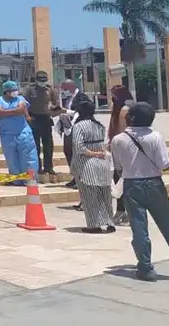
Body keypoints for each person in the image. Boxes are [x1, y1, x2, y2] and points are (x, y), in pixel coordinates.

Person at [109, 102, 169, 286]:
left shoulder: (118, 140)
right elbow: (164, 164)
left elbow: (118, 167)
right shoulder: (155, 136)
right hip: (154, 184)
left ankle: (145, 267)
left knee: (139, 228)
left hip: (131, 185)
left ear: (133, 118)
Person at [69, 94, 115, 233]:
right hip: (102, 163)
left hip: (86, 165)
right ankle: (109, 223)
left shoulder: (79, 126)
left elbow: (79, 147)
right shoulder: (99, 126)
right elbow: (103, 144)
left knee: (90, 196)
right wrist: (99, 153)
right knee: (105, 195)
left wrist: (93, 154)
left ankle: (95, 225)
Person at [0, 81, 38, 186]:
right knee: (11, 158)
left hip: (23, 132)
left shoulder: (20, 99)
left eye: (15, 90)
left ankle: (30, 179)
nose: (15, 92)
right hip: (7, 134)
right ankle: (16, 180)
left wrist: (6, 112)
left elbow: (22, 109)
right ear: (6, 92)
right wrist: (14, 111)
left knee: (28, 157)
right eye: (12, 91)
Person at [108, 85, 135, 225]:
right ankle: (121, 210)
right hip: (117, 148)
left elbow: (122, 131)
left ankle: (125, 211)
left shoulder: (124, 110)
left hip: (122, 150)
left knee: (122, 180)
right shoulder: (120, 109)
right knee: (119, 180)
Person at [24, 70, 60, 175]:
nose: (42, 82)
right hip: (34, 119)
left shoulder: (50, 90)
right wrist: (27, 117)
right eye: (40, 80)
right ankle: (38, 167)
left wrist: (54, 108)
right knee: (35, 146)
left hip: (46, 119)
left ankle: (49, 167)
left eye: (44, 80)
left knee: (48, 145)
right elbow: (24, 104)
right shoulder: (30, 90)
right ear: (36, 80)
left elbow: (55, 102)